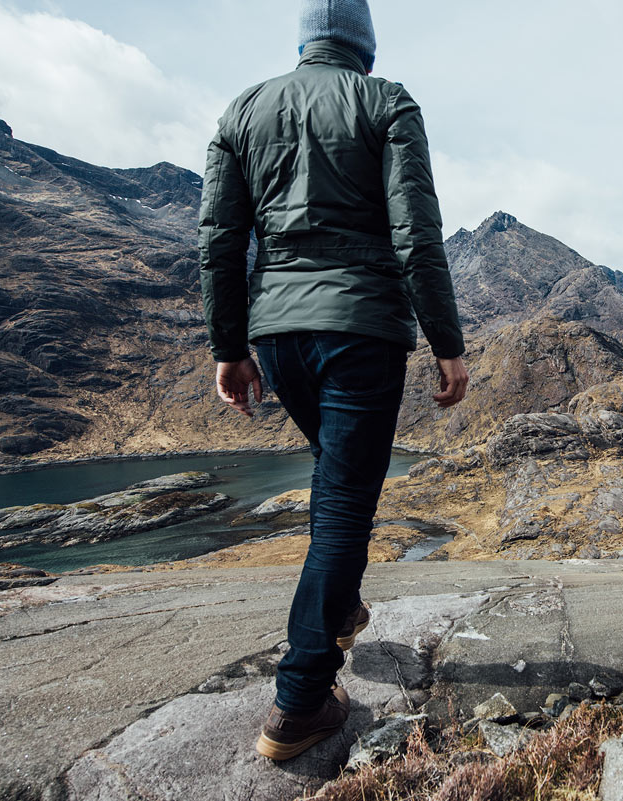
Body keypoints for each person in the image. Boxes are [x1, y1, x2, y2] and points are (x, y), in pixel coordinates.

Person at [198, 0, 468, 761]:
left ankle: (341, 607)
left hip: (279, 336)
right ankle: (301, 699)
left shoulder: (243, 109)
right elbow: (416, 230)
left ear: (304, 43)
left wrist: (231, 345)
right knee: (346, 503)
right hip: (363, 332)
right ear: (365, 48)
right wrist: (448, 343)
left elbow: (220, 240)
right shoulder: (387, 102)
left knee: (334, 481)